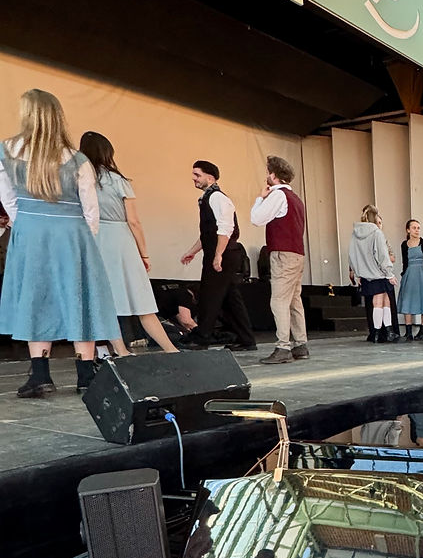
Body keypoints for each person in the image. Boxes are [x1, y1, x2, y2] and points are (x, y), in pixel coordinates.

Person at [0, 89, 120, 397]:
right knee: (80, 298)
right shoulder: (77, 159)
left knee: (34, 298)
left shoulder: (7, 151)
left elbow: (9, 201)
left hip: (31, 232)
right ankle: (85, 374)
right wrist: (80, 238)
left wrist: (29, 223)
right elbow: (90, 210)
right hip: (72, 234)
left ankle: (40, 374)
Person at [78, 132, 179, 357]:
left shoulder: (81, 179)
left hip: (95, 240)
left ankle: (120, 350)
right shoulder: (119, 180)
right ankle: (171, 350)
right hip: (121, 241)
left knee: (107, 301)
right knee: (142, 299)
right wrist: (144, 254)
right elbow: (134, 221)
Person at [179, 160, 255, 352]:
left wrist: (218, 255)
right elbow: (208, 232)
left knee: (210, 296)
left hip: (224, 254)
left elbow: (225, 228)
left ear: (210, 177)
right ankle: (246, 339)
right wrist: (192, 252)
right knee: (231, 299)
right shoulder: (208, 198)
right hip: (220, 253)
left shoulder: (218, 198)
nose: (194, 178)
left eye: (197, 175)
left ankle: (202, 337)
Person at [249, 154, 308, 366]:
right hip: (297, 252)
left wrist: (260, 198)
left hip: (283, 253)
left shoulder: (277, 195)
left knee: (279, 299)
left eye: (268, 172)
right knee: (294, 300)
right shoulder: (296, 199)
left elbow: (256, 219)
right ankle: (300, 344)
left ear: (273, 175)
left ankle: (283, 346)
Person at [348, 205, 398, 343]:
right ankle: (382, 332)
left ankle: (384, 332)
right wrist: (389, 274)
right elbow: (382, 256)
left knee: (384, 301)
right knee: (379, 302)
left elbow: (352, 255)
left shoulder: (355, 234)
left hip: (365, 275)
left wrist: (357, 272)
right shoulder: (377, 233)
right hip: (378, 273)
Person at [397, 218, 423, 341]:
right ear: (408, 230)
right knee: (408, 300)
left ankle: (422, 331)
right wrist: (404, 275)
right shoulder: (404, 244)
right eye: (414, 228)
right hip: (410, 274)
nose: (417, 230)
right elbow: (405, 262)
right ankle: (408, 332)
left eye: (418, 228)